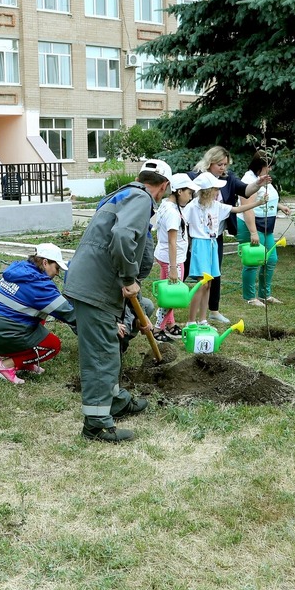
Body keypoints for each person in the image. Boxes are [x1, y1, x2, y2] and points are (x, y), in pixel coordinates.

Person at [63, 166, 171, 443]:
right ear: (164, 185)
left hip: (94, 284)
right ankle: (97, 424)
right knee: (101, 354)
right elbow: (123, 236)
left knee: (108, 350)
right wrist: (127, 278)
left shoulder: (122, 195)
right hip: (96, 286)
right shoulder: (142, 198)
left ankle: (116, 400)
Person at [186, 147, 269, 323]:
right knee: (198, 279)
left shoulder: (227, 182)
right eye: (220, 164)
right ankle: (188, 316)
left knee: (212, 278)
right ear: (210, 163)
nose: (223, 168)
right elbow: (182, 210)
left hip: (214, 238)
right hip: (197, 240)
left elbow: (244, 194)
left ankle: (209, 313)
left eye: (225, 164)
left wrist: (259, 189)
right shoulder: (195, 184)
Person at [0, 243, 76, 384]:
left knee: (41, 316)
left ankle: (24, 362)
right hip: (0, 335)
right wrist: (107, 324)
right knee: (53, 345)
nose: (57, 273)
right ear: (45, 262)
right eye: (57, 268)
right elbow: (71, 315)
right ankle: (5, 366)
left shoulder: (21, 270)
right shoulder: (39, 285)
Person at [238, 151, 293, 307]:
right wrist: (253, 232)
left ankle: (265, 294)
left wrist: (279, 206)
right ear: (261, 165)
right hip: (252, 224)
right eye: (269, 165)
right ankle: (249, 297)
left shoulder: (261, 178)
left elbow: (266, 198)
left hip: (266, 224)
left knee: (271, 259)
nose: (270, 169)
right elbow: (247, 208)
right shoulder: (249, 180)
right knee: (253, 260)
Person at [151, 172, 196, 340]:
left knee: (169, 293)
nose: (190, 197)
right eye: (189, 192)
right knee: (172, 295)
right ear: (179, 191)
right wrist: (173, 268)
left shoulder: (167, 205)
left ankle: (170, 324)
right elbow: (172, 241)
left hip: (167, 256)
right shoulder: (172, 213)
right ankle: (157, 329)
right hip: (173, 259)